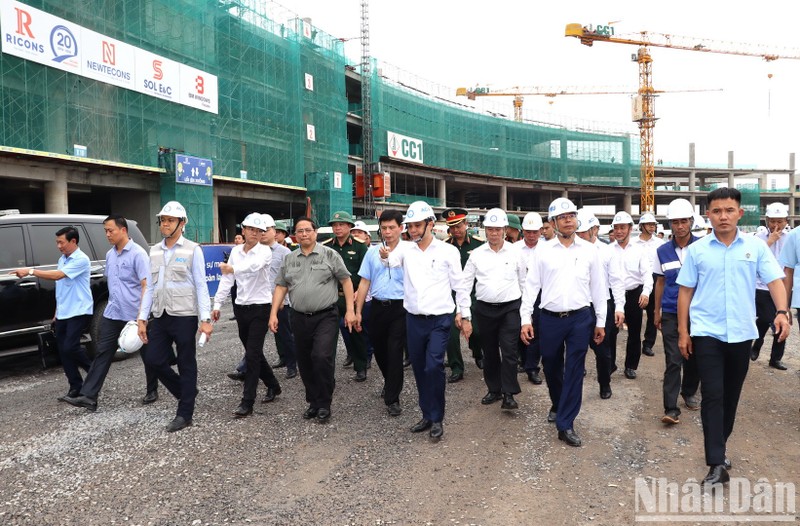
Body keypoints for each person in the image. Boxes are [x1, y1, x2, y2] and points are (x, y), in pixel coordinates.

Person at [677, 187, 789, 486]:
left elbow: (775, 281)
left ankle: (720, 446)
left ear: (740, 213)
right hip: (707, 333)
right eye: (716, 211)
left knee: (730, 396)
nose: (723, 216)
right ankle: (715, 463)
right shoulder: (698, 250)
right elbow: (685, 291)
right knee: (712, 395)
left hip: (741, 333)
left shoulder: (755, 247)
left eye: (729, 210)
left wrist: (782, 311)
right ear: (708, 215)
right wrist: (683, 332)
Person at [520, 198, 607, 447]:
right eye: (563, 216)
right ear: (554, 222)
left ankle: (566, 422)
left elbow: (599, 288)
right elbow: (531, 286)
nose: (568, 219)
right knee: (551, 366)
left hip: (580, 318)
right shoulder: (542, 251)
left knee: (575, 369)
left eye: (571, 215)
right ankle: (558, 404)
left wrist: (600, 321)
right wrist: (526, 318)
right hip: (549, 319)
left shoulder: (590, 250)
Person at [382, 201, 471, 441]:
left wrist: (465, 313)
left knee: (434, 366)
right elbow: (390, 262)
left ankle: (438, 417)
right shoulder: (405, 250)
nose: (413, 231)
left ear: (430, 224)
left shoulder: (448, 251)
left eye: (417, 225)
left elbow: (459, 285)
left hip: (440, 319)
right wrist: (384, 255)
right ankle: (427, 414)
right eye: (409, 226)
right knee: (420, 369)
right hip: (414, 320)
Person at [62, 215, 155, 411]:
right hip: (113, 313)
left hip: (136, 314)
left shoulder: (138, 254)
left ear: (123, 230)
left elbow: (147, 285)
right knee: (102, 352)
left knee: (148, 354)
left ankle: (152, 389)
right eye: (105, 231)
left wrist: (142, 317)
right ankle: (89, 396)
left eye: (110, 230)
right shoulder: (110, 255)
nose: (107, 234)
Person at [270, 217, 356, 424]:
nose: (304, 234)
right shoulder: (290, 259)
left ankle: (325, 403)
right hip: (298, 317)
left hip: (325, 315)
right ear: (295, 235)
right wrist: (273, 313)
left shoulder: (329, 255)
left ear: (315, 232)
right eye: (299, 231)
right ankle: (313, 402)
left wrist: (351, 311)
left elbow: (345, 280)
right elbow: (281, 286)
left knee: (321, 356)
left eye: (307, 230)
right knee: (305, 360)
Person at [138, 201, 213, 433]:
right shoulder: (154, 250)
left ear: (181, 223)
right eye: (162, 220)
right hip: (160, 315)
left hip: (185, 316)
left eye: (170, 220)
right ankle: (185, 392)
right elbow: (149, 286)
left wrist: (206, 319)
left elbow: (201, 285)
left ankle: (184, 413)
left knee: (186, 362)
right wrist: (142, 317)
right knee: (153, 359)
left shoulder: (193, 249)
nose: (165, 224)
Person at [212, 213, 282, 418]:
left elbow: (254, 267)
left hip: (261, 308)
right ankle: (273, 384)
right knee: (255, 353)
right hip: (241, 308)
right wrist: (217, 304)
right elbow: (227, 280)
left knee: (252, 355)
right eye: (251, 229)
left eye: (259, 231)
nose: (255, 233)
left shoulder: (265, 252)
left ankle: (247, 401)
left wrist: (232, 268)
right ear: (243, 230)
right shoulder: (235, 251)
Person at [12, 226, 93, 400]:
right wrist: (57, 311)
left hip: (79, 311)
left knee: (71, 347)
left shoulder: (81, 259)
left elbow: (57, 276)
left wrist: (30, 271)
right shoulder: (62, 259)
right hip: (64, 312)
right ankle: (75, 387)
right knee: (63, 351)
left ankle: (94, 372)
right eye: (57, 242)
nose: (58, 246)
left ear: (73, 241)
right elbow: (61, 288)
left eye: (61, 242)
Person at [463, 208, 527, 410]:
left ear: (505, 230)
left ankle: (509, 393)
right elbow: (464, 285)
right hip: (484, 310)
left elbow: (525, 283)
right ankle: (494, 389)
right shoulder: (476, 255)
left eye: (497, 229)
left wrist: (527, 315)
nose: (493, 233)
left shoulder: (516, 253)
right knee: (489, 351)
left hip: (510, 308)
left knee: (509, 351)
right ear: (485, 231)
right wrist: (464, 314)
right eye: (490, 229)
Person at [226, 214, 297, 381]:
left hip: (279, 301)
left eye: (267, 229)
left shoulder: (284, 252)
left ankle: (292, 365)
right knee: (253, 341)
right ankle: (246, 369)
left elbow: (289, 278)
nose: (263, 233)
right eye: (259, 230)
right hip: (259, 303)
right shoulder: (250, 251)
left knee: (284, 335)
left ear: (275, 232)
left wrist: (282, 300)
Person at [653, 199, 701, 425]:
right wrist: (656, 311)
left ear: (691, 221)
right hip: (671, 311)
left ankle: (689, 391)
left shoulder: (703, 247)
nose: (680, 226)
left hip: (699, 312)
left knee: (695, 357)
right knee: (674, 359)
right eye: (675, 222)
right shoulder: (662, 251)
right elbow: (660, 283)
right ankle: (671, 408)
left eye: (684, 221)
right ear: (670, 224)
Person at [355, 209, 407, 416]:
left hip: (401, 307)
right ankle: (389, 380)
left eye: (392, 227)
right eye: (384, 228)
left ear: (401, 228)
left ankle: (393, 398)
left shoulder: (410, 251)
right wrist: (358, 310)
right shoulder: (371, 252)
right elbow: (365, 281)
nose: (387, 232)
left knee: (395, 351)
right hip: (377, 307)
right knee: (381, 351)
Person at [575, 209, 625, 400]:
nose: (579, 236)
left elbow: (617, 281)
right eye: (577, 233)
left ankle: (605, 383)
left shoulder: (606, 252)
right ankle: (575, 383)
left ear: (594, 230)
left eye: (583, 233)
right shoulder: (570, 251)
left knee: (603, 351)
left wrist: (619, 307)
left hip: (601, 305)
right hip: (578, 306)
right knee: (576, 349)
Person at [322, 211, 369, 381]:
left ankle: (361, 366)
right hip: (332, 296)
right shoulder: (327, 246)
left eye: (341, 224)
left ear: (350, 226)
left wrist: (359, 292)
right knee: (328, 334)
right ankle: (327, 370)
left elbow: (365, 273)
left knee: (356, 331)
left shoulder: (359, 246)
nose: (337, 228)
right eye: (334, 225)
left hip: (354, 296)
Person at [608, 211, 652, 380]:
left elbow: (647, 274)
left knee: (634, 333)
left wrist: (646, 292)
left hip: (634, 294)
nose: (619, 231)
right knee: (611, 331)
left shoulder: (639, 250)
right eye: (616, 228)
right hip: (613, 295)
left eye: (622, 227)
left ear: (630, 228)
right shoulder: (607, 251)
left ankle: (631, 366)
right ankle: (610, 364)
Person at [442, 207, 484, 383]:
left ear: (466, 224)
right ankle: (456, 367)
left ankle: (477, 351)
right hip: (450, 294)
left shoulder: (478, 244)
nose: (456, 230)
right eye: (452, 227)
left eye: (458, 226)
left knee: (476, 330)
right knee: (451, 334)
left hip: (472, 293)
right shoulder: (444, 246)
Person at [750, 202, 790, 370]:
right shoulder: (758, 239)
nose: (776, 225)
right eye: (772, 221)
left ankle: (775, 358)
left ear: (786, 221)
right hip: (762, 286)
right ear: (766, 220)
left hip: (782, 286)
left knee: (783, 321)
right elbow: (751, 258)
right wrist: (770, 241)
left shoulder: (791, 238)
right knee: (767, 319)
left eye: (780, 221)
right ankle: (757, 343)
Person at [514, 211, 544, 384]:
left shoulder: (547, 249)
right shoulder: (514, 249)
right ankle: (522, 361)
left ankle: (532, 368)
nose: (531, 235)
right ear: (522, 231)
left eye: (535, 232)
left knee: (536, 331)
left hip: (539, 296)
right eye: (528, 232)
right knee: (518, 329)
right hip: (517, 294)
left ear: (540, 231)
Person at [634, 212, 665, 357]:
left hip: (655, 278)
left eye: (654, 225)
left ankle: (648, 344)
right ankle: (634, 341)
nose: (652, 227)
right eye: (649, 224)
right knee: (635, 314)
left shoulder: (659, 243)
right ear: (642, 226)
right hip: (638, 280)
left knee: (654, 311)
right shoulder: (633, 243)